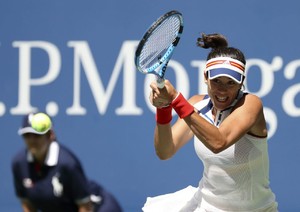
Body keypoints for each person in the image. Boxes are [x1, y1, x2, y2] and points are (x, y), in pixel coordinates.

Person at [143, 33, 278, 211]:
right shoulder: (196, 105)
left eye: (230, 82)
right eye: (216, 81)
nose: (222, 89)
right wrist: (163, 108)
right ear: (206, 77)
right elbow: (165, 151)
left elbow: (218, 142)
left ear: (241, 82)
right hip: (206, 206)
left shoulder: (250, 105)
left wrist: (176, 99)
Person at [12, 112, 123, 212]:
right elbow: (27, 204)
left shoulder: (67, 164)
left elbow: (85, 206)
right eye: (27, 135)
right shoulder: (19, 163)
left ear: (50, 135)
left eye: (37, 135)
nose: (32, 140)